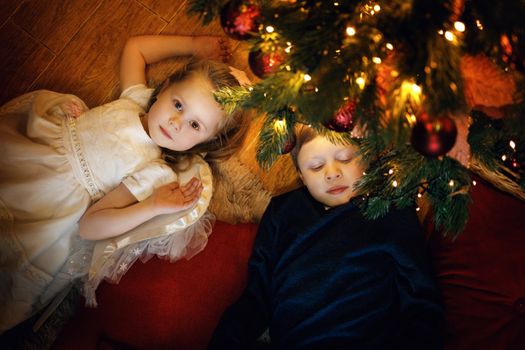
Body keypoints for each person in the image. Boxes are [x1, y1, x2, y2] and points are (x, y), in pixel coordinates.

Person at [0, 34, 250, 333]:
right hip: (32, 157)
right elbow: (136, 48)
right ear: (164, 89)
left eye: (195, 125)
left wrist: (152, 206)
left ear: (206, 142)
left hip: (48, 207)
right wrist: (193, 45)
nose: (175, 123)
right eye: (179, 104)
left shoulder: (154, 171)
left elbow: (89, 226)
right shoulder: (135, 100)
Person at [208, 125, 444, 349]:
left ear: (367, 158)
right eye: (316, 166)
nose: (332, 173)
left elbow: (421, 299)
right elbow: (257, 294)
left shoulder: (390, 209)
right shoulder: (283, 211)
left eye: (344, 158)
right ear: (301, 176)